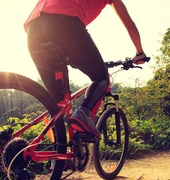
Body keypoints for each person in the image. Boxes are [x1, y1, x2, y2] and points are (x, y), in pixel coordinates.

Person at [25, 0, 147, 140]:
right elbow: (130, 26)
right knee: (101, 76)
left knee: (57, 105)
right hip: (64, 21)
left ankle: (60, 156)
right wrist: (139, 52)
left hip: (33, 28)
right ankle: (83, 113)